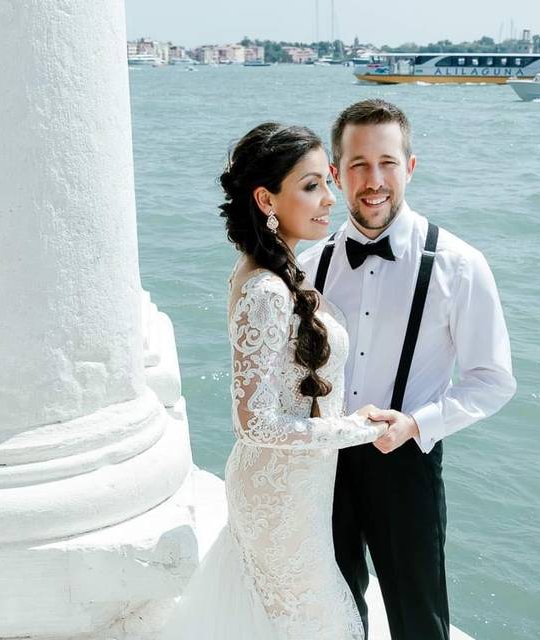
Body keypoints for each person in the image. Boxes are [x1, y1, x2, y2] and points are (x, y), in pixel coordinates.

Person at [299, 99, 517, 640]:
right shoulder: (308, 266)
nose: (374, 180)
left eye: (387, 163)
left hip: (407, 466)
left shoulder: (459, 265)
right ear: (336, 172)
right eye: (358, 164)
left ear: (410, 167)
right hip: (321, 464)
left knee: (419, 619)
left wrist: (419, 424)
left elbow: (492, 380)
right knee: (335, 611)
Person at [161, 122, 386, 639]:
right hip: (278, 493)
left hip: (296, 486)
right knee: (308, 620)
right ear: (266, 198)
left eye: (327, 181)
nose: (330, 199)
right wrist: (358, 427)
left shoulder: (282, 270)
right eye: (311, 186)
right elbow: (255, 423)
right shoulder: (266, 288)